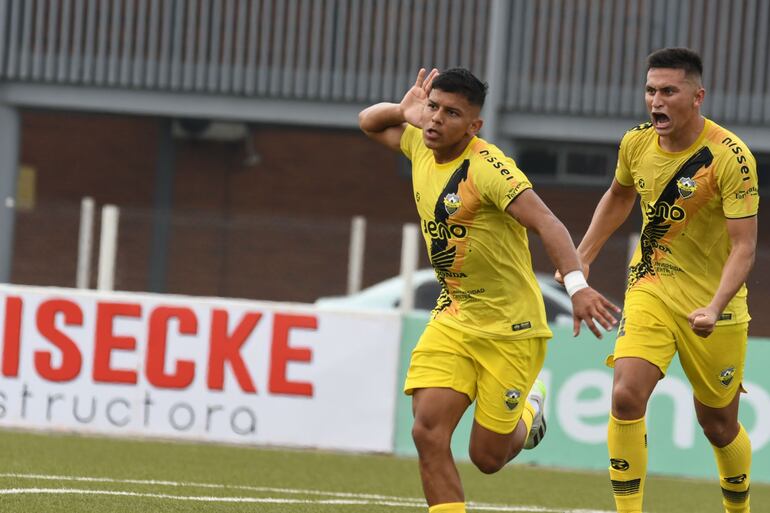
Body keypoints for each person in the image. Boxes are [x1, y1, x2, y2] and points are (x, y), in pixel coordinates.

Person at [358, 67, 619, 513]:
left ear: (474, 126)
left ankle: (530, 410)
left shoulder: (489, 167)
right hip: (455, 317)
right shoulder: (421, 142)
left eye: (452, 113)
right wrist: (402, 110)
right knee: (427, 433)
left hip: (511, 328)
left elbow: (548, 223)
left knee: (487, 458)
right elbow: (369, 122)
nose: (437, 119)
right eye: (434, 107)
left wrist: (576, 286)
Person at [567, 48, 758, 513]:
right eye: (651, 90)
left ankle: (739, 508)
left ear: (697, 96)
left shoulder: (730, 157)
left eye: (669, 91)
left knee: (718, 424)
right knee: (626, 394)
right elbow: (617, 196)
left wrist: (714, 306)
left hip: (716, 306)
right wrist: (583, 258)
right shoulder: (635, 143)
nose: (656, 101)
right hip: (651, 286)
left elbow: (744, 246)